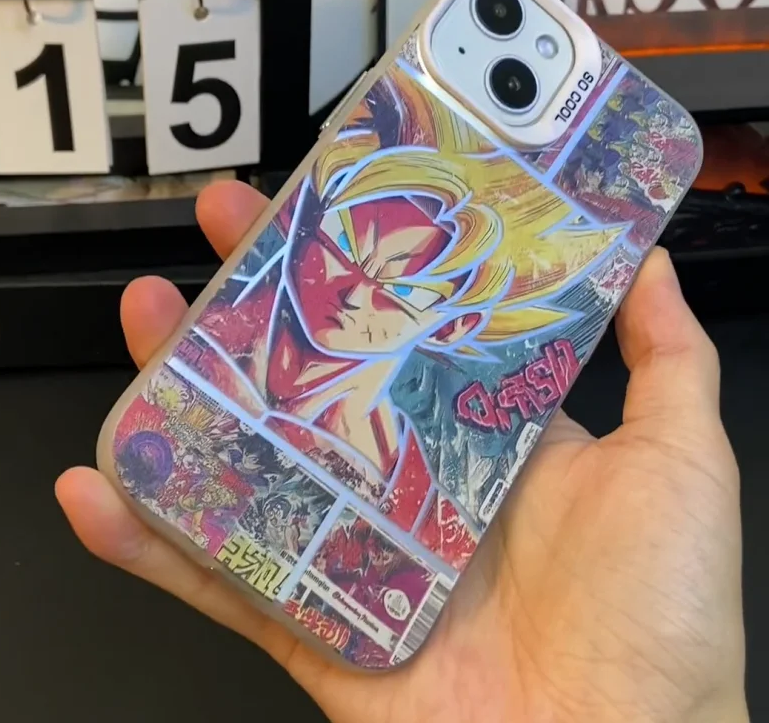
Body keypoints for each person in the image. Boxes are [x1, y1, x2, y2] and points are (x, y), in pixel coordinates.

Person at [55, 180, 748, 723]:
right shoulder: (203, 361)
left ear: (453, 323)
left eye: (402, 288)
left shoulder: (421, 507)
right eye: (343, 247)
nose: (354, 290)